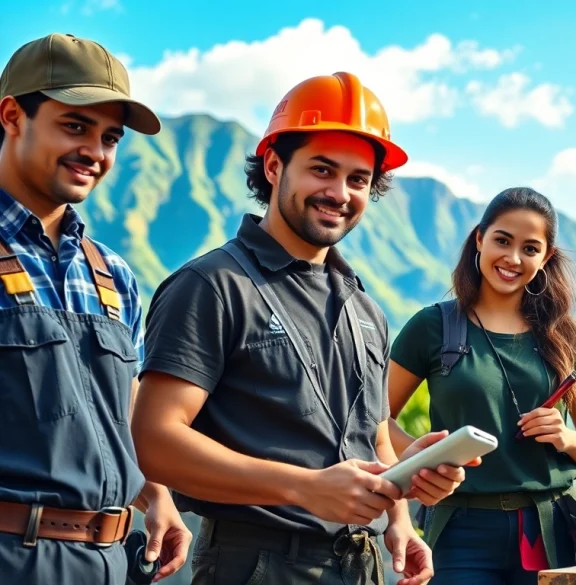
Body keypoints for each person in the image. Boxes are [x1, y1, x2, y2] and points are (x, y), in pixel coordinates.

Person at [131, 72, 471, 585]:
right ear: (273, 166)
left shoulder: (364, 308)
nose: (340, 193)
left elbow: (372, 437)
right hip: (255, 564)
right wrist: (303, 487)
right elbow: (153, 441)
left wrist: (400, 513)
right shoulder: (211, 285)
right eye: (322, 170)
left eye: (358, 179)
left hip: (363, 562)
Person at [0, 33, 190, 584]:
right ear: (13, 115)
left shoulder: (111, 273)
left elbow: (117, 408)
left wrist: (157, 495)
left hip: (109, 561)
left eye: (110, 137)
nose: (96, 153)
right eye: (75, 126)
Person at [386, 187, 576, 584]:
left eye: (530, 248)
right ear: (480, 238)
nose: (512, 259)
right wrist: (423, 459)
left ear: (545, 258)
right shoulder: (432, 326)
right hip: (461, 531)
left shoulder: (568, 341)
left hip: (551, 531)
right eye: (502, 241)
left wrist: (566, 438)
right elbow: (372, 419)